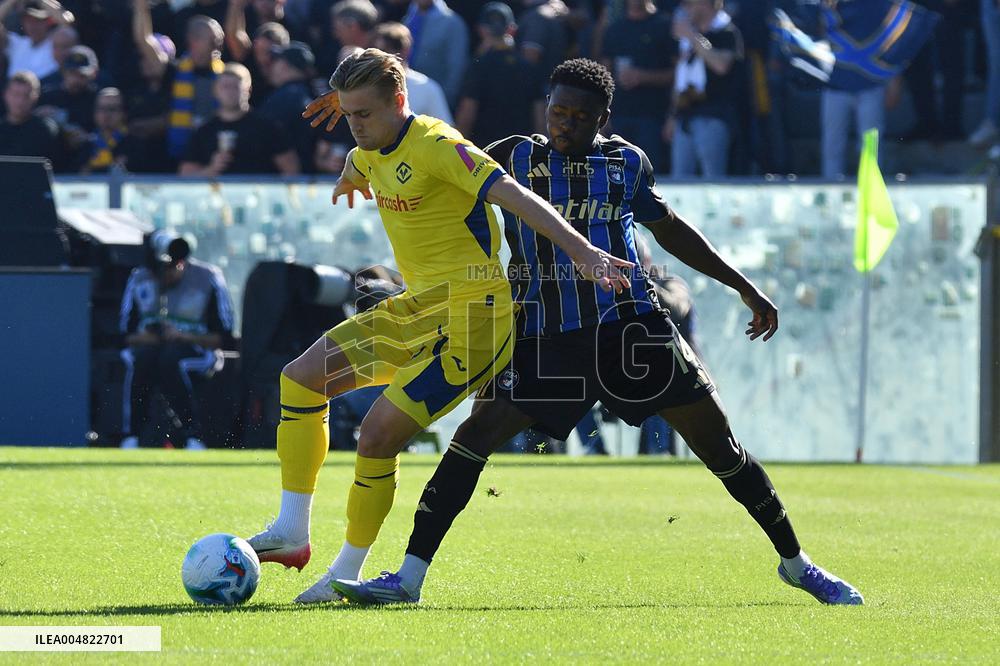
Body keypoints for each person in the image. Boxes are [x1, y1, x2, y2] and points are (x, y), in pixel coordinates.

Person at [331, 58, 865, 607]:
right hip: (547, 336)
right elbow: (431, 167)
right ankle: (408, 579)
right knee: (474, 438)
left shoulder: (627, 163)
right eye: (556, 111)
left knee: (720, 447)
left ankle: (797, 565)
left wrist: (742, 286)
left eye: (579, 116)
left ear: (602, 117)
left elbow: (672, 230)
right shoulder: (513, 154)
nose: (564, 123)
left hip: (631, 330)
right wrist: (361, 168)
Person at [242, 48, 631, 604]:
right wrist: (352, 156)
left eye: (364, 114)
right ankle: (292, 530)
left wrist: (585, 251)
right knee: (300, 378)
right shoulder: (369, 144)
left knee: (376, 437)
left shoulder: (438, 144)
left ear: (400, 102)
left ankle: (342, 574)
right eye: (347, 113)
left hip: (477, 316)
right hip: (418, 305)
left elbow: (515, 197)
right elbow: (362, 155)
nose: (355, 125)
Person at [119, 232, 235, 451]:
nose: (169, 274)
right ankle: (133, 435)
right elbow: (125, 335)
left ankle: (193, 435)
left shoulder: (207, 277)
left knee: (172, 360)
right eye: (163, 269)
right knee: (142, 360)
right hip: (150, 347)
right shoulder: (139, 278)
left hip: (196, 349)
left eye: (174, 266)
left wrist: (183, 336)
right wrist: (152, 337)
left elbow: (224, 337)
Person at [179, 62, 300, 175]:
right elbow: (185, 177)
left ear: (249, 90)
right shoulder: (204, 131)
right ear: (215, 91)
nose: (230, 92)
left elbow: (291, 171)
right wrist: (212, 169)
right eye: (225, 87)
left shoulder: (268, 128)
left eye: (236, 87)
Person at [666, 0, 743, 178]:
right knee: (680, 179)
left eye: (689, 4)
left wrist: (692, 36)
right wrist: (672, 115)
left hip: (713, 118)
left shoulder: (727, 32)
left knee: (713, 178)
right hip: (684, 119)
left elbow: (721, 66)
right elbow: (680, 79)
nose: (685, 9)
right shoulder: (687, 40)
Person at [456, 2, 545, 148]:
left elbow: (467, 113)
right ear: (512, 29)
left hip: (486, 154)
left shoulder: (478, 66)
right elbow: (540, 118)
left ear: (481, 30)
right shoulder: (528, 67)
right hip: (521, 154)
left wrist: (459, 149)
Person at [599, 0, 675, 167]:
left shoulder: (664, 26)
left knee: (649, 174)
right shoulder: (615, 29)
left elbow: (678, 73)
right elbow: (604, 74)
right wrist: (601, 113)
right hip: (618, 116)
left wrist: (643, 76)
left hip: (653, 117)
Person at [372, 21, 452, 123]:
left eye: (389, 50)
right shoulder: (366, 86)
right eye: (379, 51)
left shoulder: (428, 88)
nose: (384, 57)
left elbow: (446, 132)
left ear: (406, 50)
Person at [260, 40, 318, 172]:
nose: (272, 67)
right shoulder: (314, 94)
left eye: (276, 62)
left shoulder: (282, 98)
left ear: (284, 66)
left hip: (283, 178)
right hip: (311, 174)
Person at [403, 0, 469, 106]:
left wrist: (443, 102)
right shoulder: (408, 19)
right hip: (405, 99)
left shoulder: (453, 23)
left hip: (434, 104)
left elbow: (456, 69)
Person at [0, 0, 74, 81]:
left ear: (47, 22)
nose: (32, 25)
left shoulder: (56, 42)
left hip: (47, 88)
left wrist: (40, 1)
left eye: (37, 20)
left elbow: (67, 24)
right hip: (14, 90)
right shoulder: (17, 43)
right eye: (28, 20)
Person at [77, 87, 143, 173]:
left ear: (123, 113)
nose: (106, 114)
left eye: (112, 109)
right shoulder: (85, 144)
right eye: (101, 108)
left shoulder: (135, 145)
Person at [0, 69, 59, 161]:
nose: (20, 101)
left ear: (36, 97)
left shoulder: (45, 130)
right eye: (16, 94)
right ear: (5, 94)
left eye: (26, 95)